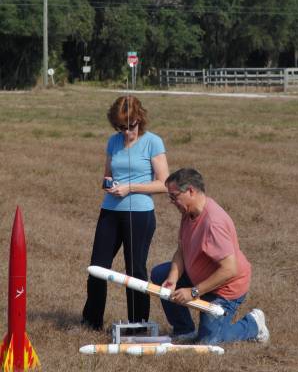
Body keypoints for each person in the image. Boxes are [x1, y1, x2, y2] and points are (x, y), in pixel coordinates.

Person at [151, 168, 269, 344]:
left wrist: (193, 292)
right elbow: (181, 250)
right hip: (199, 277)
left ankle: (253, 324)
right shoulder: (188, 212)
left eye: (174, 196)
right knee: (161, 274)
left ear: (190, 191)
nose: (171, 201)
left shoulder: (214, 223)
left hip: (225, 289)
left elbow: (230, 269)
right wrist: (172, 279)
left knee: (207, 342)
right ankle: (185, 329)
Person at [82, 95, 169, 330]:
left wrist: (131, 187)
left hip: (139, 214)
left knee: (135, 269)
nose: (126, 132)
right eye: (120, 127)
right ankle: (91, 321)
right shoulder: (113, 142)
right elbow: (107, 175)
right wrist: (108, 183)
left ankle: (138, 324)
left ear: (139, 119)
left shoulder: (153, 142)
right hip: (110, 210)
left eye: (130, 126)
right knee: (97, 267)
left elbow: (164, 183)